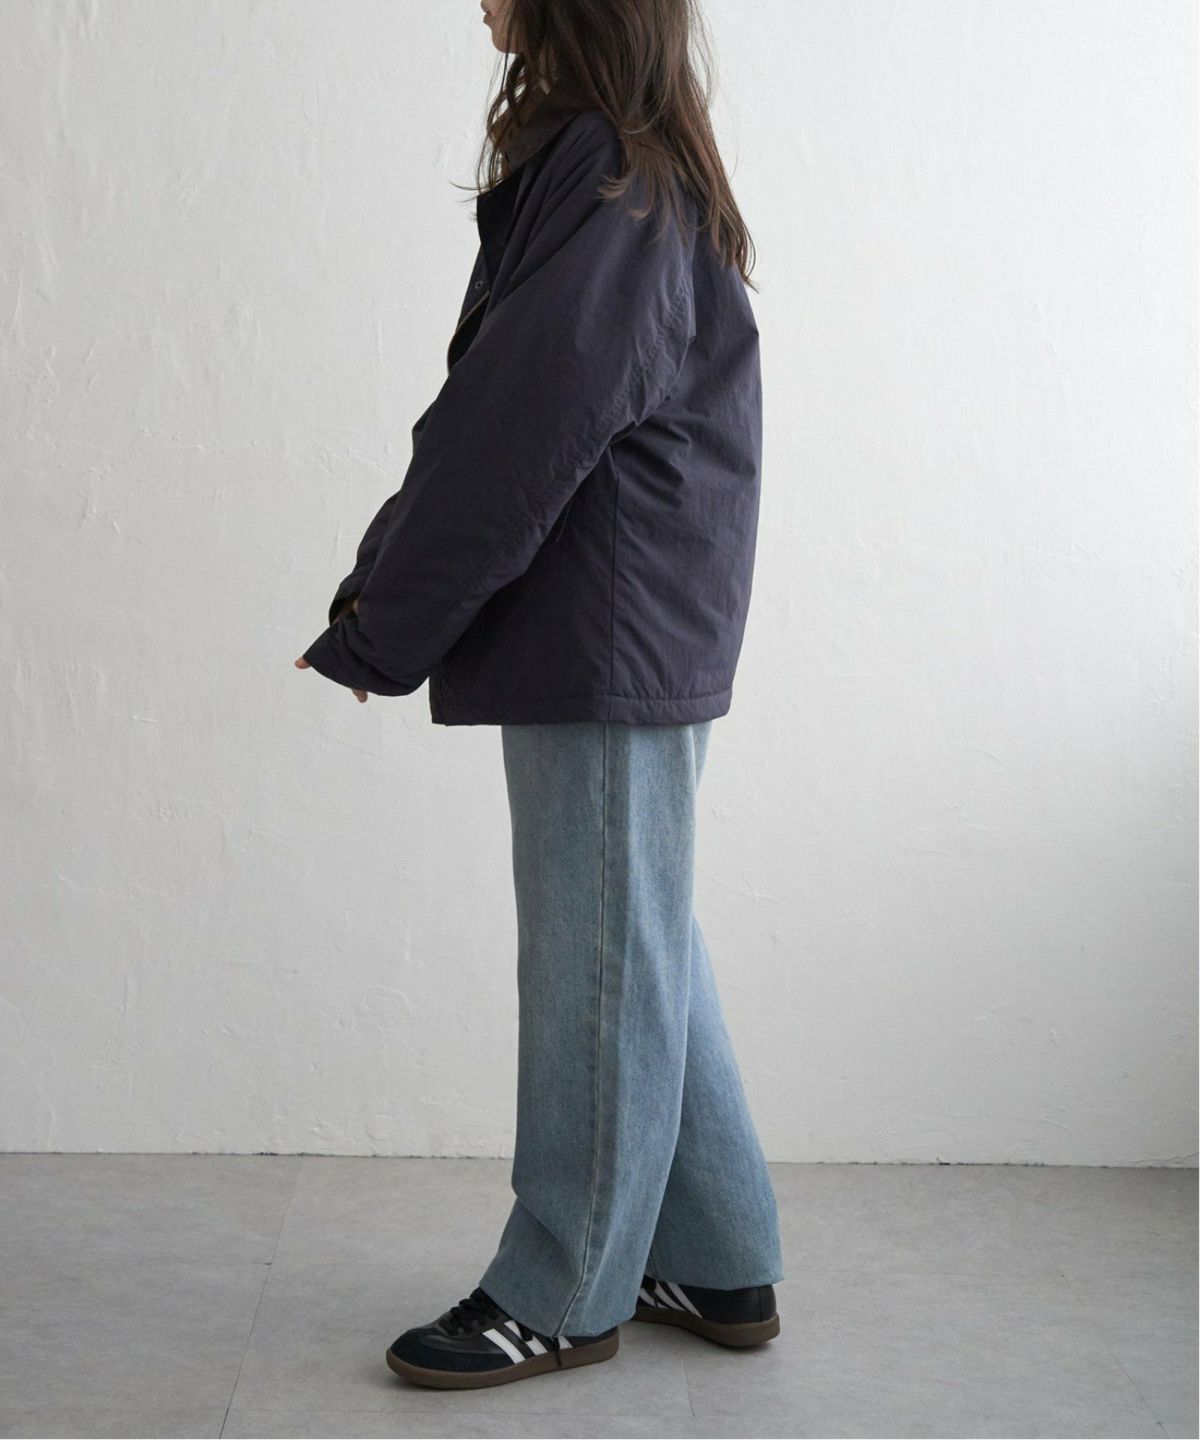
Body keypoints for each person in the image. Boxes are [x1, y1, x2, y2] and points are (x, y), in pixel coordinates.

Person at [295, 0, 784, 1391]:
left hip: (605, 617)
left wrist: (383, 619)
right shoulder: (626, 162)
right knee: (633, 929)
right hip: (626, 611)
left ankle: (564, 1288)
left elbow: (514, 425)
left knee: (601, 947)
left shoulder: (611, 172)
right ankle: (718, 1251)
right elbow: (517, 410)